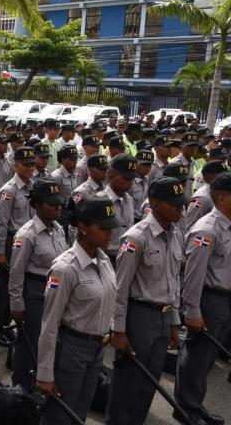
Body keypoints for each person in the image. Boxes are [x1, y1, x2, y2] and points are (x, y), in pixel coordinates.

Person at [107, 177, 186, 425]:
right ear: (156, 203)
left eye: (181, 205)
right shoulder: (136, 238)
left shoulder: (175, 234)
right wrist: (118, 330)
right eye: (174, 205)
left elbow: (173, 282)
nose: (180, 209)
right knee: (128, 380)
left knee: (149, 382)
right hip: (138, 315)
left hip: (162, 316)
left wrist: (173, 322)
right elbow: (120, 289)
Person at [37, 197, 119, 425]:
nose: (109, 233)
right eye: (102, 228)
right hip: (72, 348)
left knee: (80, 412)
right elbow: (50, 323)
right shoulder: (65, 268)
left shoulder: (104, 260)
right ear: (82, 228)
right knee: (60, 416)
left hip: (97, 349)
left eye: (111, 227)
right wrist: (44, 372)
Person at [175, 171, 231, 425]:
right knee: (197, 357)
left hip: (225, 300)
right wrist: (193, 310)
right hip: (210, 299)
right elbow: (194, 275)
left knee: (207, 359)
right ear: (222, 199)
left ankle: (195, 404)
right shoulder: (207, 229)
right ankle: (187, 408)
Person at [8, 179, 68, 391]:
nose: (57, 208)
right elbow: (16, 272)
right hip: (34, 292)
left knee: (49, 342)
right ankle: (19, 389)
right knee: (29, 344)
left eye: (59, 204)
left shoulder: (59, 230)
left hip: (55, 291)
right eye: (52, 204)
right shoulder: (27, 234)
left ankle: (39, 385)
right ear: (37, 205)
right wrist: (16, 303)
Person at [0, 146, 36, 347]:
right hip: (10, 241)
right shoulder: (9, 190)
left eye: (32, 164)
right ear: (15, 165)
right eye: (26, 165)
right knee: (3, 286)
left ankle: (8, 322)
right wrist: (0, 252)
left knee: (18, 284)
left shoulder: (33, 186)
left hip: (27, 242)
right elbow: (2, 223)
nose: (30, 169)